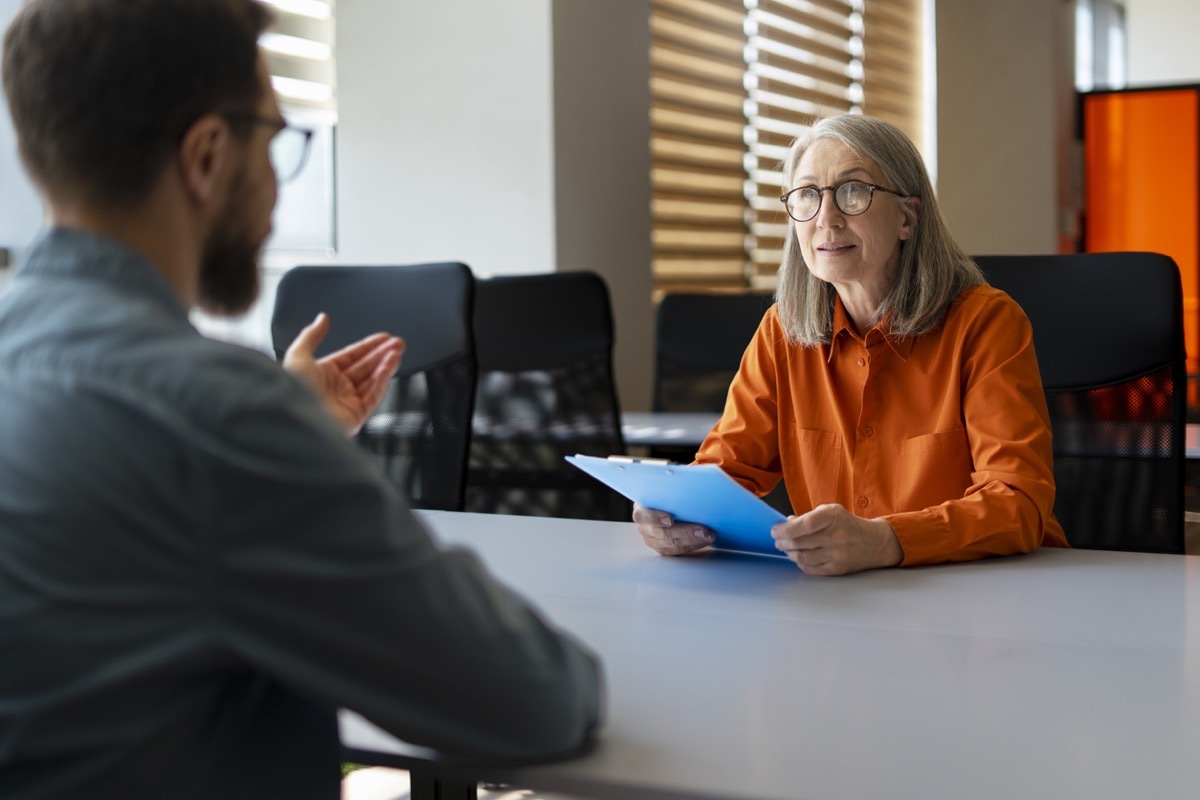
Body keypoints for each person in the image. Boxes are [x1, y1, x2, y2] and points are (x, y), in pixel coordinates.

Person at [0, 1, 601, 798]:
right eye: (277, 139)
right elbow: (536, 699)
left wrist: (294, 437)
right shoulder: (216, 418)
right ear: (208, 155)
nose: (278, 186)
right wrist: (277, 443)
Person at [634, 114, 1069, 576]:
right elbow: (723, 472)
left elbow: (1017, 502)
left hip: (998, 591)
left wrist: (886, 541)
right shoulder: (782, 332)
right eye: (807, 195)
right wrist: (670, 512)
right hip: (846, 599)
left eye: (853, 192)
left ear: (907, 216)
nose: (827, 218)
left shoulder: (985, 323)